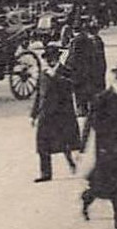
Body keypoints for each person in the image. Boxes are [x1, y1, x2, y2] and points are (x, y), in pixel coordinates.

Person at [81, 63, 117, 229]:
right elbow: (96, 124)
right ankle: (115, 217)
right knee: (109, 185)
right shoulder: (102, 98)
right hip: (108, 149)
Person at [30, 45, 82, 182]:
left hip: (62, 114)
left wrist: (57, 77)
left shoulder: (65, 71)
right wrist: (33, 114)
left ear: (57, 58)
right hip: (45, 113)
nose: (49, 61)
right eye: (47, 59)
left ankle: (72, 162)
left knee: (65, 143)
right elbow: (39, 94)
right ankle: (45, 173)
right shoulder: (43, 72)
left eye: (51, 58)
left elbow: (73, 85)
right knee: (42, 144)